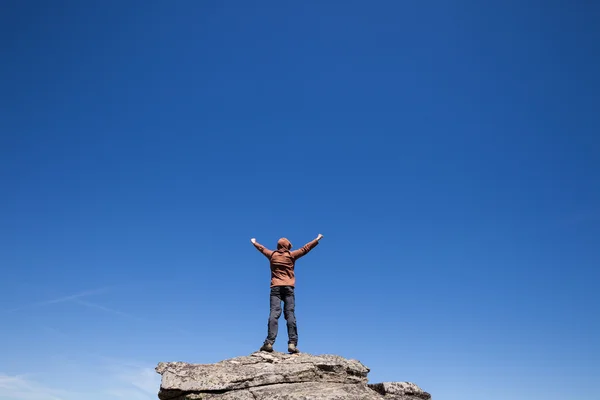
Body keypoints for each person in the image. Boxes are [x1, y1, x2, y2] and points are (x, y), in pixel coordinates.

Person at [251, 234, 324, 353]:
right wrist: (316, 239)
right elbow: (305, 249)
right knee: (290, 314)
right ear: (288, 246)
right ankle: (292, 344)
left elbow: (262, 249)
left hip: (275, 287)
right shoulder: (291, 255)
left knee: (274, 313)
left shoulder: (272, 255)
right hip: (289, 288)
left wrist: (254, 242)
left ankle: (269, 342)